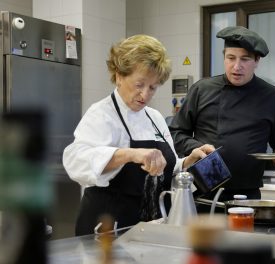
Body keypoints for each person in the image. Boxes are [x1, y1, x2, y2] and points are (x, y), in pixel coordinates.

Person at [63, 34, 212, 236]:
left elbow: (163, 168)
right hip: (108, 230)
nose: (145, 95)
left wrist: (187, 161)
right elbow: (75, 160)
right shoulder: (102, 114)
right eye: (139, 84)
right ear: (119, 76)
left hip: (148, 227)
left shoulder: (154, 117)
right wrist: (130, 154)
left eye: (153, 87)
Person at [169, 26, 275, 201]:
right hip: (203, 190)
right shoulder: (202, 89)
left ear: (256, 60)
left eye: (245, 59)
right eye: (231, 58)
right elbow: (176, 133)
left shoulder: (271, 96)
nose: (237, 66)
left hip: (249, 193)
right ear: (224, 57)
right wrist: (196, 148)